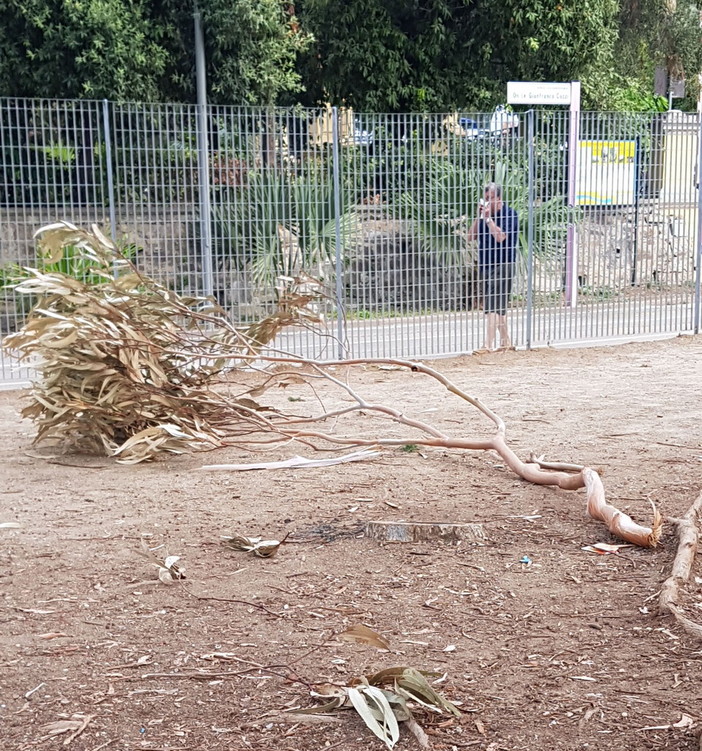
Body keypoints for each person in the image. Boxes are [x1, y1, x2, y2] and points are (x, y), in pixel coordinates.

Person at [467, 183, 519, 352]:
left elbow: (500, 237)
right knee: (499, 306)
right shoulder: (483, 217)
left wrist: (489, 220)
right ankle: (506, 342)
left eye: (490, 199)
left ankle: (487, 345)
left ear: (499, 198)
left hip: (503, 264)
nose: (488, 202)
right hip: (486, 264)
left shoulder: (510, 214)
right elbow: (470, 236)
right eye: (485, 199)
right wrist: (479, 217)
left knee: (492, 306)